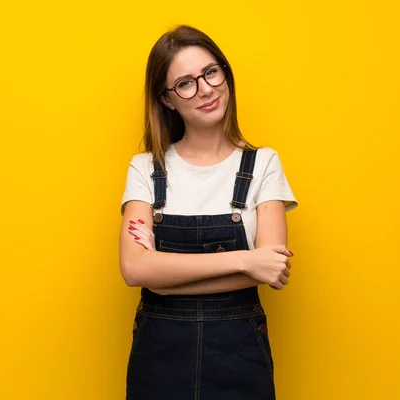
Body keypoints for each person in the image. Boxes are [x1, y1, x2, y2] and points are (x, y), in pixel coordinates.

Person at [119, 24, 298, 400]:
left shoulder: (264, 164)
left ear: (224, 73)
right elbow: (136, 269)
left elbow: (272, 268)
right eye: (185, 83)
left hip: (239, 360)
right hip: (159, 362)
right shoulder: (145, 169)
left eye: (210, 72)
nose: (205, 89)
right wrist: (245, 261)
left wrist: (165, 274)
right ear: (167, 99)